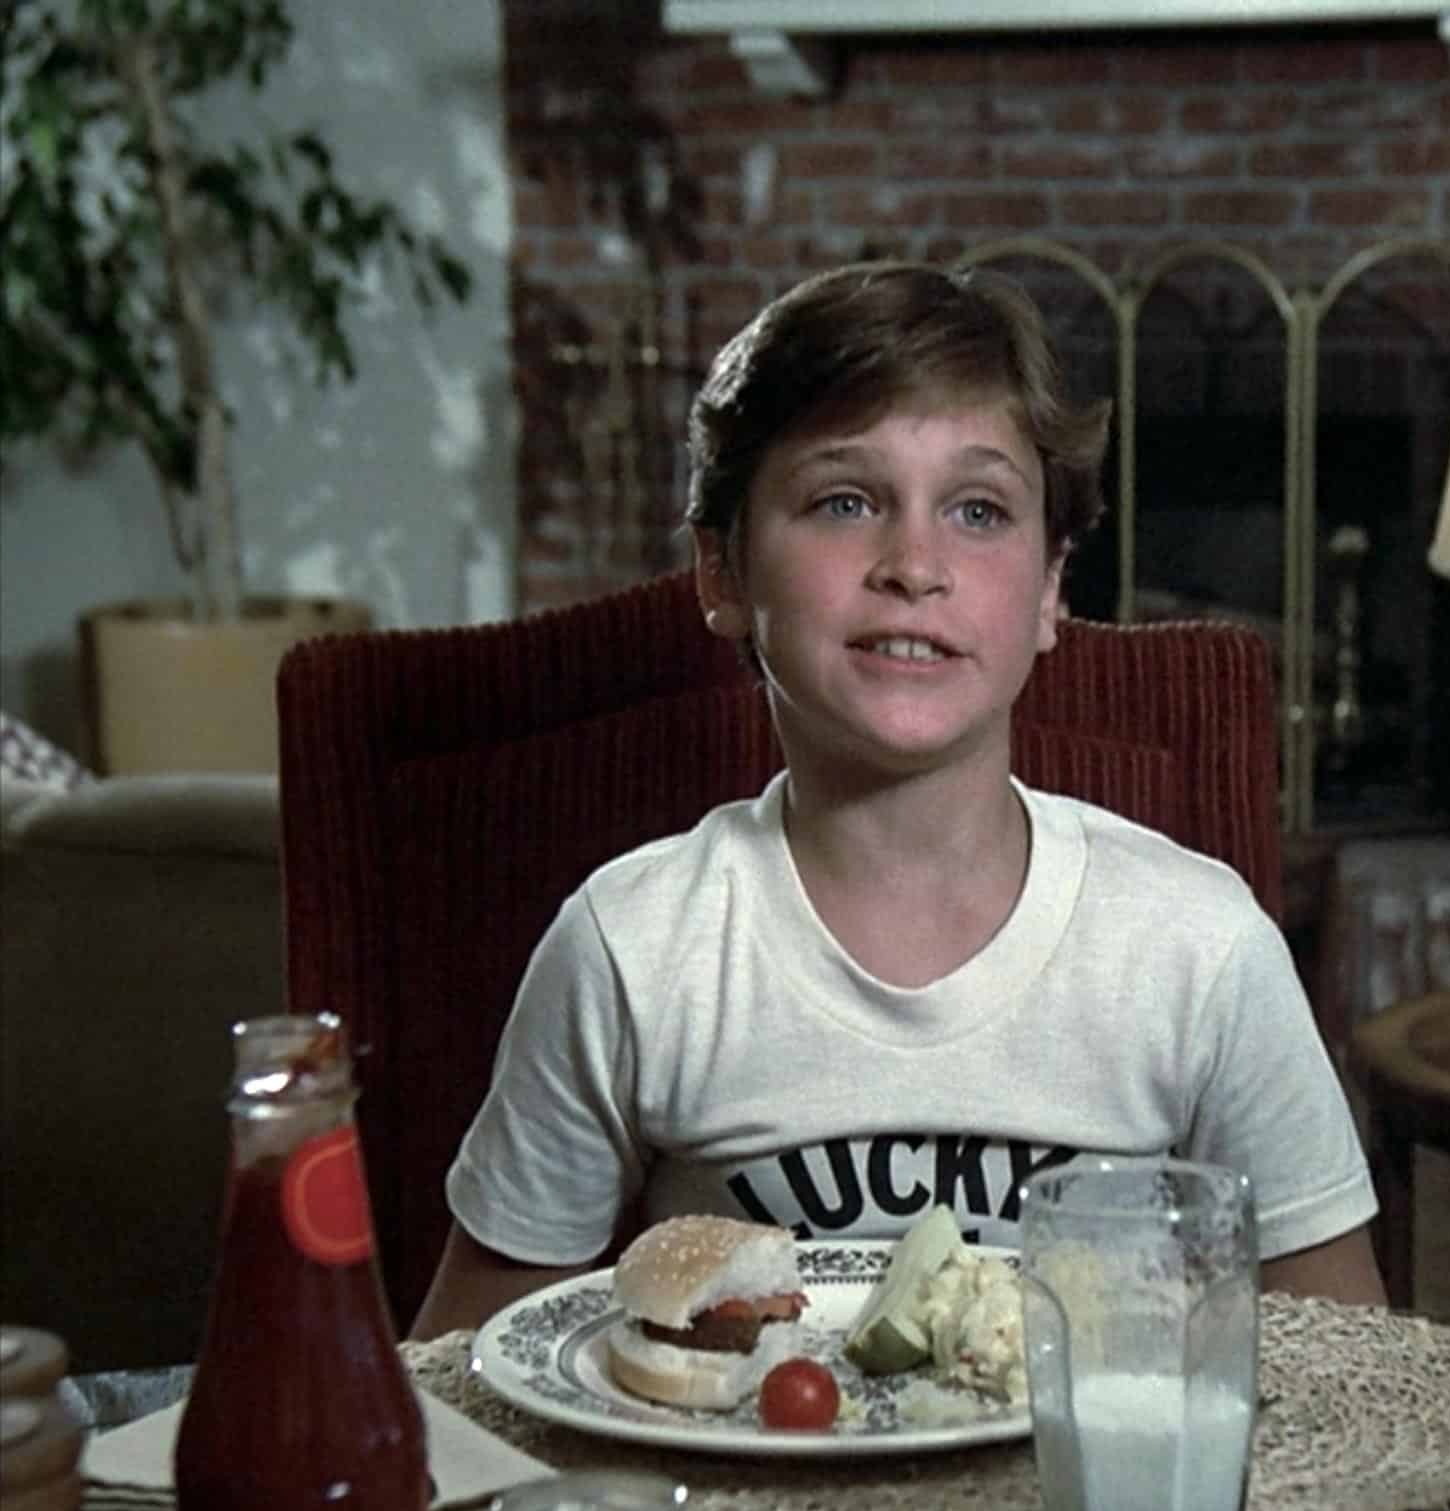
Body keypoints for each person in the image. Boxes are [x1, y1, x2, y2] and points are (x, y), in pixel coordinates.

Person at [410, 262, 1384, 1337]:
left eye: (978, 509)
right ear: (723, 574)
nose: (914, 564)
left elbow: (1347, 1373)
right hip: (745, 1501)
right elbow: (465, 1386)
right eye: (843, 501)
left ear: (1053, 588)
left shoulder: (1197, 947)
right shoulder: (632, 949)